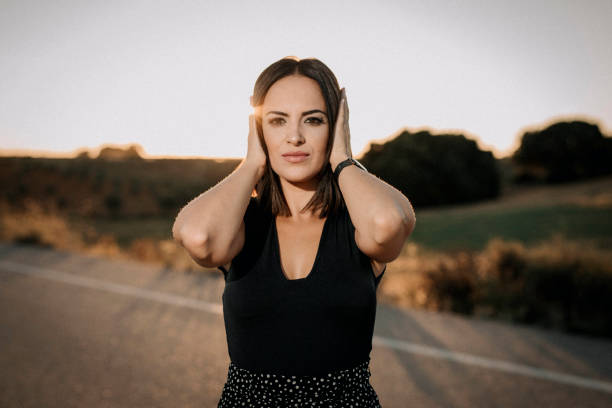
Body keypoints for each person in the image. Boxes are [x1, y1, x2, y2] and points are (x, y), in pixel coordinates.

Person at [172, 56, 416, 407]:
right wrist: (251, 163)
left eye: (313, 120)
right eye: (277, 121)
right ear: (259, 131)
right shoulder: (241, 225)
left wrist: (343, 159)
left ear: (335, 127)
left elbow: (388, 224)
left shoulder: (358, 224)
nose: (295, 137)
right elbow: (199, 238)